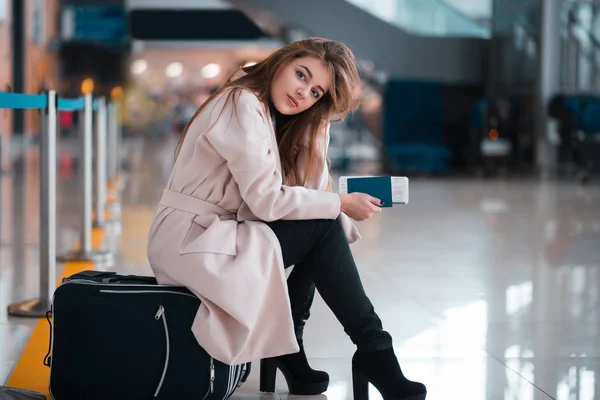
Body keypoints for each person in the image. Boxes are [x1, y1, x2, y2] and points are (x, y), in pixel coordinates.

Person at [147, 37, 427, 400]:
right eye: (301, 74)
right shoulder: (242, 102)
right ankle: (373, 350)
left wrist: (317, 124)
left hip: (216, 231)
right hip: (189, 238)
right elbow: (266, 201)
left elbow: (308, 191)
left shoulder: (271, 111)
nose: (302, 93)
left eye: (315, 92)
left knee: (325, 221)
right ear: (282, 61)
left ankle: (296, 348)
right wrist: (340, 203)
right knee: (326, 223)